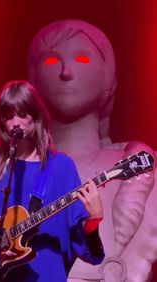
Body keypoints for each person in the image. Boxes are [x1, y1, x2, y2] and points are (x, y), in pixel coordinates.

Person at [0, 80, 105, 282]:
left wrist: (94, 218)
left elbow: (83, 243)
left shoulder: (60, 167)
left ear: (36, 118)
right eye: (8, 116)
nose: (16, 122)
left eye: (23, 114)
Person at [27, 19, 156, 282]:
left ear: (110, 81)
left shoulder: (142, 170)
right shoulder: (8, 176)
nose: (66, 72)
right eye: (51, 61)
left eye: (83, 59)